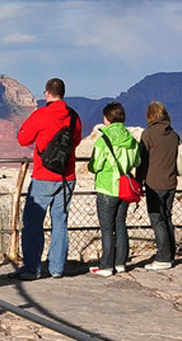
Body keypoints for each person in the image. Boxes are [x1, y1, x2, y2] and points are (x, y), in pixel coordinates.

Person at [16, 78, 81, 279]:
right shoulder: (73, 117)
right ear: (63, 93)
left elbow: (23, 139)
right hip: (67, 176)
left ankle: (32, 269)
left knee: (33, 222)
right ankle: (57, 269)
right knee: (60, 221)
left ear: (47, 93)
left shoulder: (41, 114)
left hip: (44, 175)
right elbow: (76, 140)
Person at [136, 101, 182, 269]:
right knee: (167, 218)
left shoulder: (148, 135)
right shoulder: (173, 134)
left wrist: (138, 181)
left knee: (157, 219)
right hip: (171, 183)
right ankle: (170, 255)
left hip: (154, 183)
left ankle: (163, 258)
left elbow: (142, 161)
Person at [82, 102, 140, 276]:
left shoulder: (103, 140)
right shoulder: (131, 140)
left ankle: (106, 266)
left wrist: (92, 167)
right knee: (120, 224)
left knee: (107, 228)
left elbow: (96, 164)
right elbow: (137, 162)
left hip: (107, 187)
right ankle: (120, 263)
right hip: (124, 188)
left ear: (107, 118)